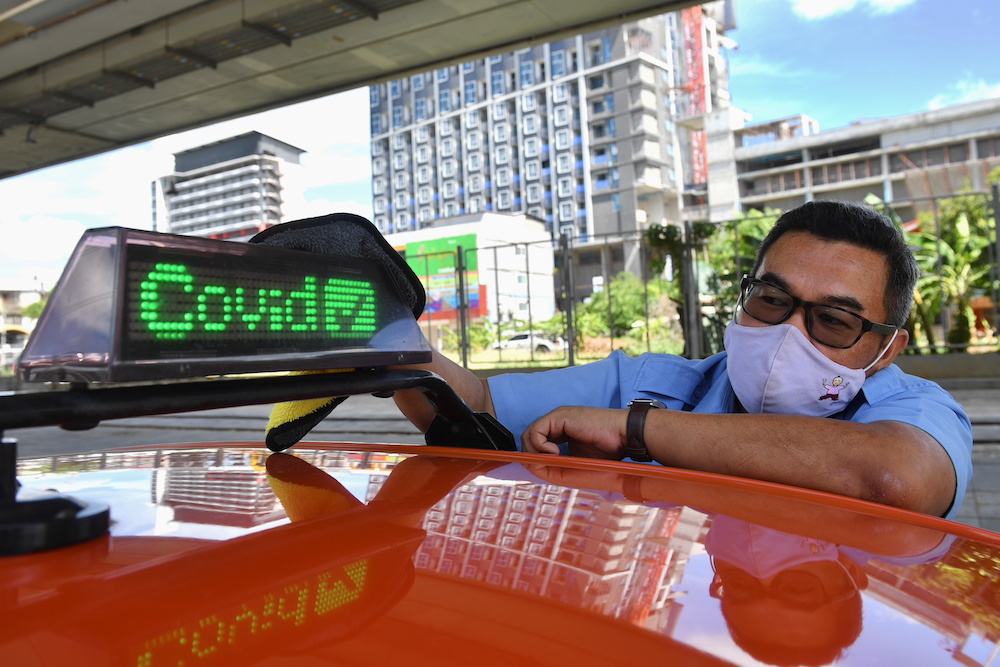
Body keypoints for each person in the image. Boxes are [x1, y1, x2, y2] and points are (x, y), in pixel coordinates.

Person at [393, 200, 973, 519]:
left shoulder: (915, 409)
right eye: (772, 300)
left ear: (886, 349)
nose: (790, 334)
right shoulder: (655, 381)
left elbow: (893, 479)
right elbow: (475, 405)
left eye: (835, 320)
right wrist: (386, 329)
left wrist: (638, 431)